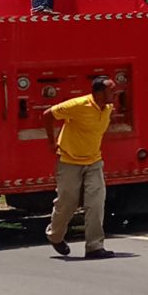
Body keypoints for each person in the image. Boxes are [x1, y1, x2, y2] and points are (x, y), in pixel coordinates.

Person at [46, 74, 116, 259]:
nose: (115, 93)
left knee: (95, 203)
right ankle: (55, 235)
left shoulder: (108, 108)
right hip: (69, 161)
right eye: (111, 90)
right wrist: (51, 141)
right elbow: (48, 114)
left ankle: (94, 247)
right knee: (67, 204)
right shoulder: (77, 105)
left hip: (94, 161)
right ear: (99, 92)